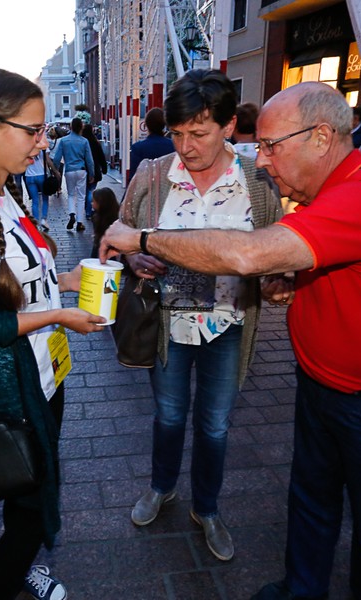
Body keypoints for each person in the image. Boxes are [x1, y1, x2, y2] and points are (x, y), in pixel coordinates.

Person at [100, 81, 361, 600]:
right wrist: (286, 281)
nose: (262, 161)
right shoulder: (318, 197)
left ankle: (213, 512)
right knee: (310, 503)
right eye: (258, 146)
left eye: (271, 147)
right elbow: (303, 260)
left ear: (322, 138)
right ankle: (299, 589)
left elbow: (250, 254)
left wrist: (144, 240)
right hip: (321, 388)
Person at [0, 68, 106, 600]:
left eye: (43, 130)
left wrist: (77, 281)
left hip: (41, 374)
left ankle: (25, 559)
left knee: (29, 486)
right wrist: (57, 318)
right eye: (32, 130)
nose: (43, 141)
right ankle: (5, 585)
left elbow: (28, 281)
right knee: (31, 502)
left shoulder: (12, 194)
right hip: (9, 389)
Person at [119, 70, 283, 564]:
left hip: (230, 324)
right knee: (168, 415)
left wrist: (278, 281)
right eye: (177, 132)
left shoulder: (256, 181)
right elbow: (123, 229)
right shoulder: (153, 174)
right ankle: (162, 487)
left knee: (214, 425)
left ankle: (207, 508)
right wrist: (133, 258)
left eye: (199, 132)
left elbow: (278, 248)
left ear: (229, 125)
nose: (186, 146)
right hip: (168, 326)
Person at [51, 117, 95, 232]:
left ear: (70, 127)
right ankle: (80, 222)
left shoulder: (64, 141)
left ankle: (71, 214)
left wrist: (55, 170)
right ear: (81, 127)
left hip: (69, 170)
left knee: (71, 195)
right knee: (81, 197)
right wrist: (92, 173)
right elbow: (89, 160)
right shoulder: (84, 141)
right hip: (81, 170)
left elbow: (56, 158)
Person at [128, 108, 174, 184]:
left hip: (147, 191)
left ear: (146, 125)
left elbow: (134, 178)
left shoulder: (138, 148)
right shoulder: (174, 146)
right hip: (169, 190)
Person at [82, 123, 108, 222]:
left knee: (85, 191)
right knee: (91, 190)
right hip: (95, 170)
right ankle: (89, 211)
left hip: (83, 169)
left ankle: (87, 209)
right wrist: (104, 168)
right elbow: (101, 156)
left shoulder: (82, 142)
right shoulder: (95, 142)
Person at [89, 186, 119, 259]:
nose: (91, 203)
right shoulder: (116, 215)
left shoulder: (97, 217)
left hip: (103, 248)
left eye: (93, 201)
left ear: (101, 203)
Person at [23, 150, 50, 231]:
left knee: (35, 200)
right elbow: (47, 159)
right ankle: (43, 219)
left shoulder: (25, 145)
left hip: (29, 176)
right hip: (41, 174)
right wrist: (54, 170)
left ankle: (36, 222)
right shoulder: (42, 144)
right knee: (45, 198)